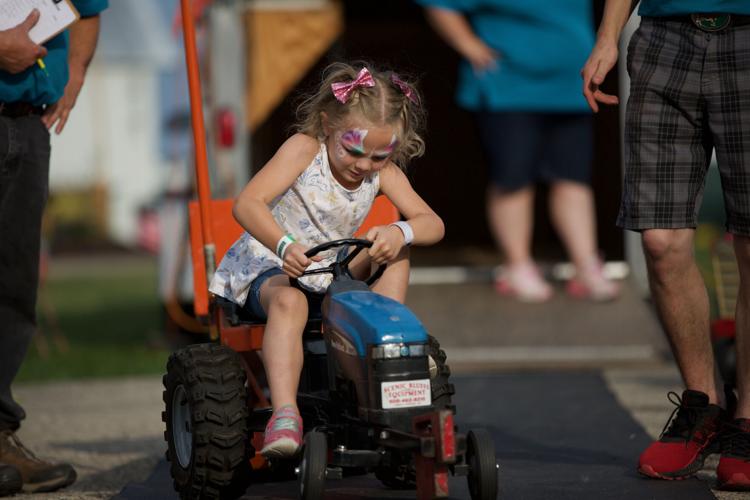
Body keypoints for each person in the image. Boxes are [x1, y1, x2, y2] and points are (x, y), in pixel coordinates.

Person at [209, 63, 445, 458]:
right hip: (271, 269)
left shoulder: (382, 172)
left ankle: (386, 346)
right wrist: (284, 245)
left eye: (378, 155)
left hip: (329, 276)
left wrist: (398, 231)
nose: (363, 164)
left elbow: (433, 223)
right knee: (291, 301)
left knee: (397, 250)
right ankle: (285, 414)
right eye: (353, 150)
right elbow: (247, 203)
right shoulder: (304, 150)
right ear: (327, 125)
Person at [582, 1, 750, 490]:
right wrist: (607, 36)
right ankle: (703, 407)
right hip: (664, 37)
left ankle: (748, 422)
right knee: (659, 237)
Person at [417, 0, 620, 303]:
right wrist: (468, 45)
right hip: (509, 86)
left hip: (570, 84)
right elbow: (439, 3)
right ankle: (517, 264)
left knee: (573, 177)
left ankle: (586, 265)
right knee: (513, 177)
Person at [0, 1, 107, 495]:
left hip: (27, 125)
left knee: (13, 290)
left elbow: (88, 7)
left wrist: (77, 70)